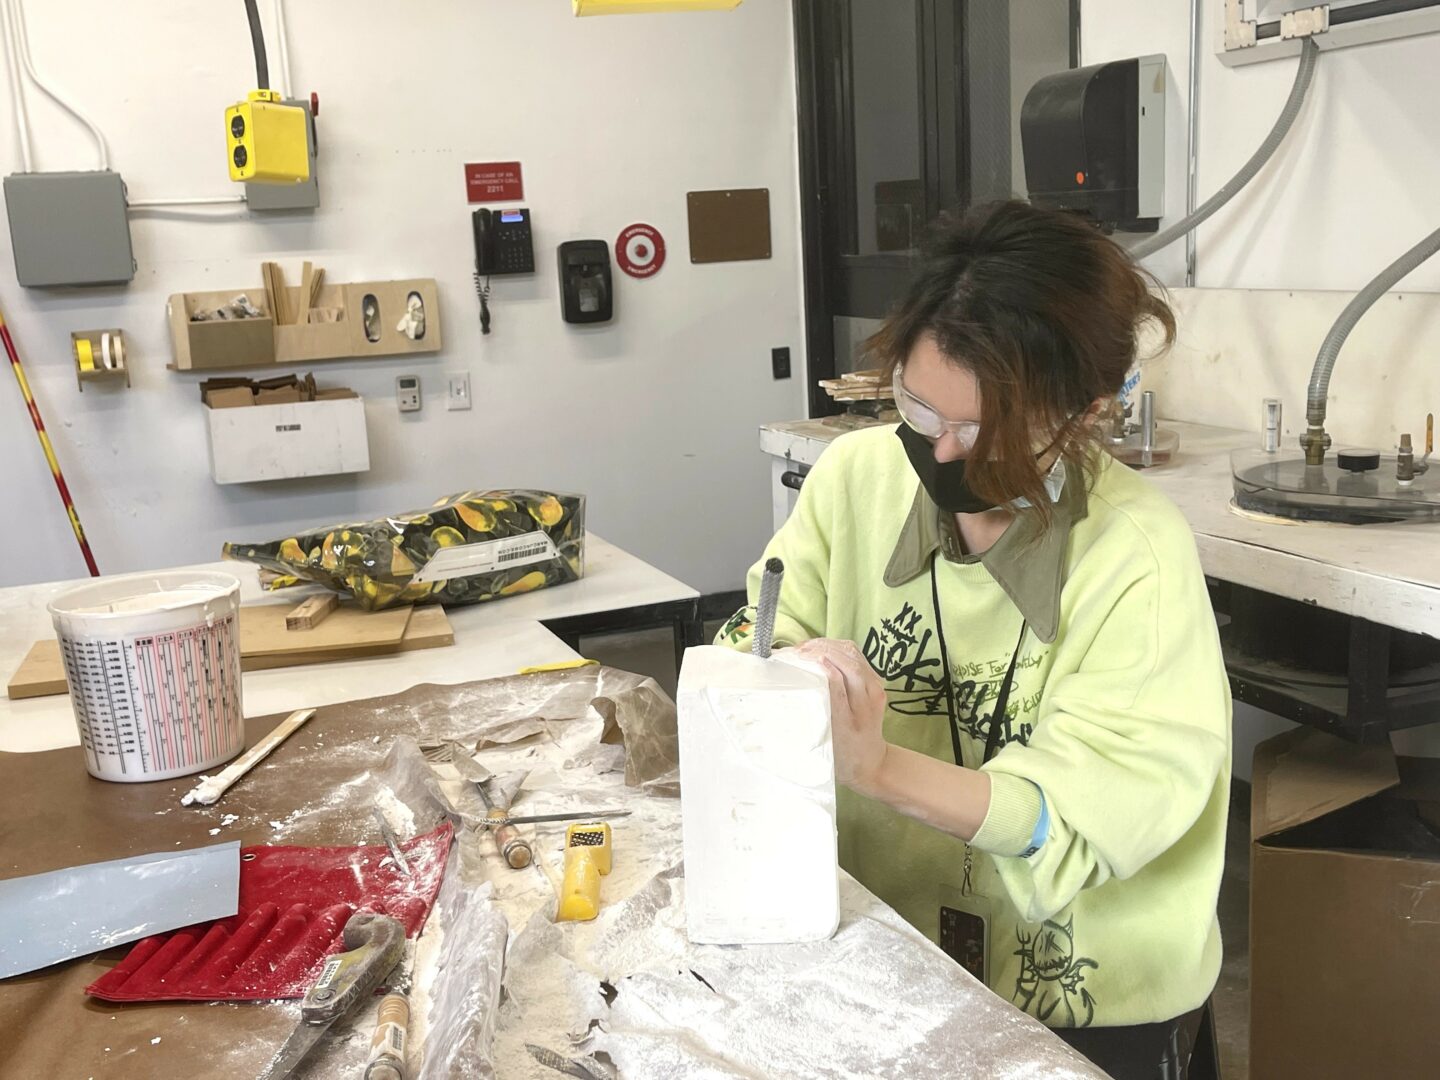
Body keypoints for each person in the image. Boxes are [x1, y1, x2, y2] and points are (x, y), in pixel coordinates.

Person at [719, 200, 1231, 1079]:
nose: (947, 452)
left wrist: (875, 766)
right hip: (893, 954)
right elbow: (756, 636)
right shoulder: (855, 479)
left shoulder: (1135, 556)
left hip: (1084, 1001)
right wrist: (779, 678)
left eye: (987, 430)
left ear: (1086, 413)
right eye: (921, 411)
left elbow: (1074, 820)